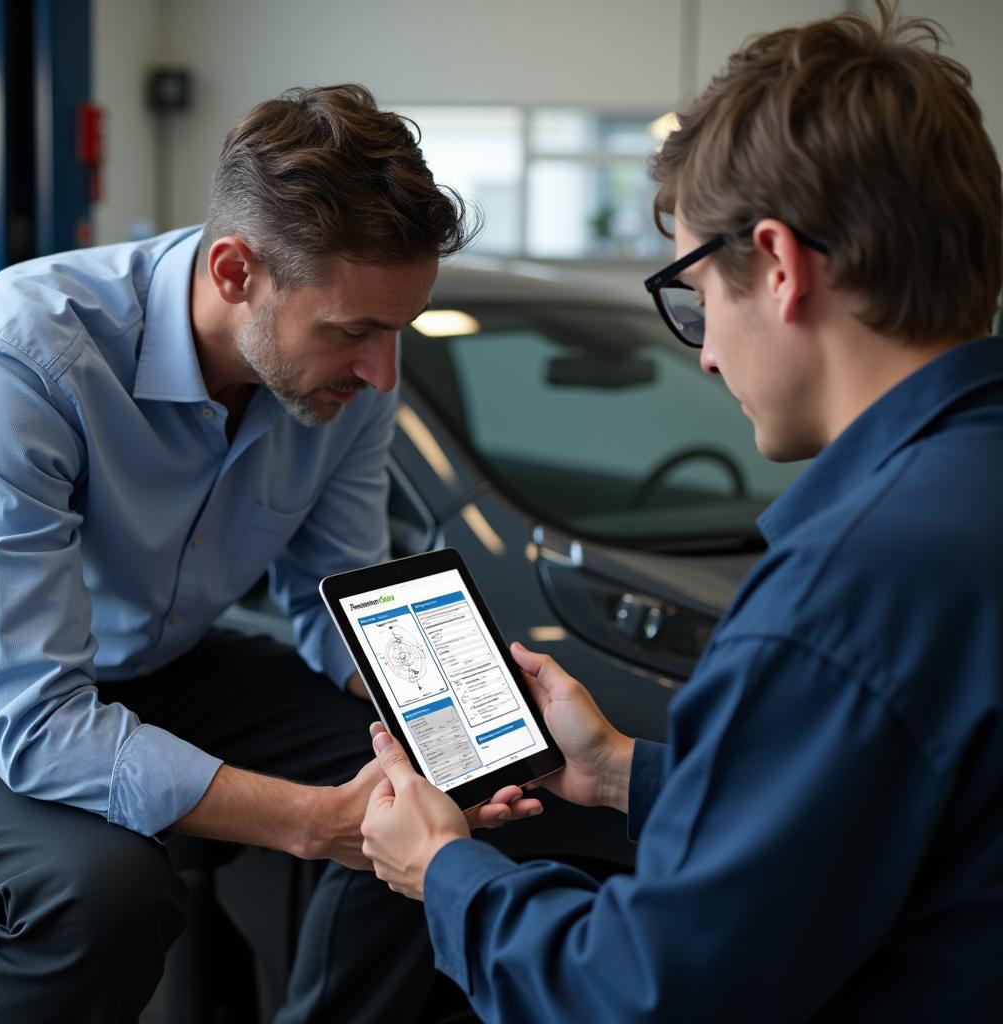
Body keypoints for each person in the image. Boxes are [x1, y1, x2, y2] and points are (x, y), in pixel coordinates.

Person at [359, 5, 1003, 1021]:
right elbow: (875, 826)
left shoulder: (846, 587)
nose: (700, 352)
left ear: (781, 267)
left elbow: (644, 993)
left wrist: (443, 871)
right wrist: (621, 772)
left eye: (694, 295)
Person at [0, 83, 532, 1023]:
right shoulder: (27, 355)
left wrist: (470, 703)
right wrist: (314, 824)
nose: (383, 373)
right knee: (102, 892)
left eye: (396, 330)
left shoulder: (352, 380)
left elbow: (338, 590)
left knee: (464, 783)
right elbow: (32, 716)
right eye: (354, 330)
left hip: (170, 665)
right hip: (6, 699)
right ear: (236, 272)